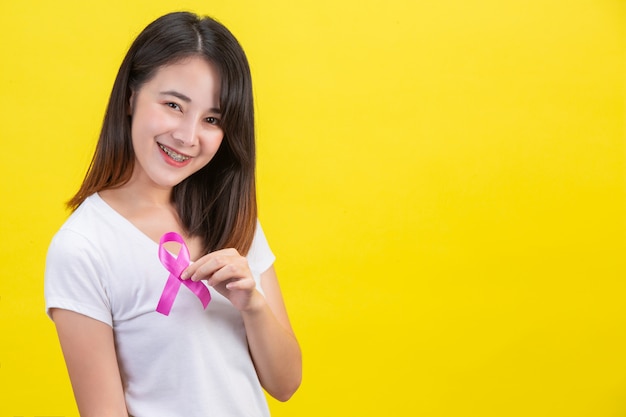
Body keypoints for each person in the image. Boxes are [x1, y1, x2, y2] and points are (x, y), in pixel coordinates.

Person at [44, 11, 302, 416]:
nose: (187, 136)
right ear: (131, 96)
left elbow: (285, 383)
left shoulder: (232, 217)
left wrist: (252, 303)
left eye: (212, 119)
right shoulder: (83, 248)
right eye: (173, 105)